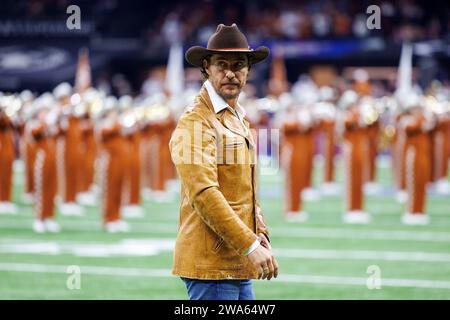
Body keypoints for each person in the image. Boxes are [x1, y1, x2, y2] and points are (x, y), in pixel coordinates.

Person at [169, 23, 278, 300]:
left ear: (248, 70)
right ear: (206, 66)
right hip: (212, 264)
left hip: (235, 257)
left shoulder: (235, 115)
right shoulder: (196, 120)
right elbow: (204, 194)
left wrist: (259, 231)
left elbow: (242, 188)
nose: (231, 73)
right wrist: (249, 245)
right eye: (222, 64)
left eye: (239, 65)